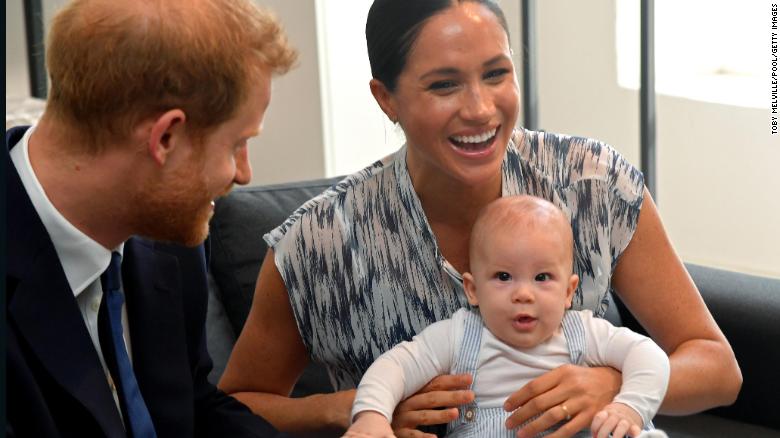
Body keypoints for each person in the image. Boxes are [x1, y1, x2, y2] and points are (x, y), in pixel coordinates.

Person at [219, 0, 741, 437]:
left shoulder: (593, 184)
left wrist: (611, 384)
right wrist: (351, 408)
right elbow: (233, 407)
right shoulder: (320, 241)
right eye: (444, 85)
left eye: (496, 74)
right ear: (386, 99)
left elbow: (718, 368)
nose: (481, 110)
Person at [6, 0, 296, 436]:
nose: (243, 173)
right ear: (165, 137)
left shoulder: (168, 238)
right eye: (237, 143)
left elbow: (192, 406)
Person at [344, 196, 670, 438]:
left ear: (568, 292)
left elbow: (648, 355)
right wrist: (372, 415)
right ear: (473, 289)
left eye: (542, 278)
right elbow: (394, 366)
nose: (523, 294)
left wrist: (629, 406)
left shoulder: (583, 332)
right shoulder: (458, 336)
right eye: (503, 277)